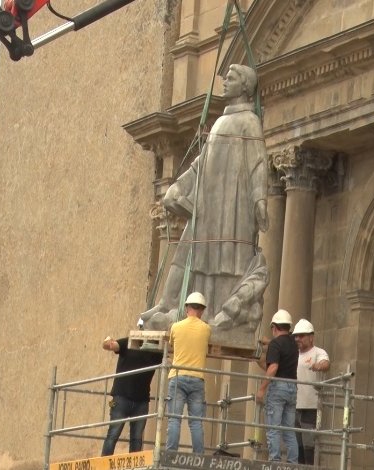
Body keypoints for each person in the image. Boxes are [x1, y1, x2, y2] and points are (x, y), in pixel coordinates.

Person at [141, 64, 269, 335]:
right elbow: (203, 162)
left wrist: (259, 199)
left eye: (231, 78)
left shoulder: (249, 121)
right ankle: (170, 304)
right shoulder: (221, 122)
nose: (224, 82)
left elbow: (258, 162)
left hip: (233, 209)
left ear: (245, 85)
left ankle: (213, 310)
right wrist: (181, 184)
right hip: (210, 206)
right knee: (190, 251)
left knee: (226, 261)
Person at [100, 335, 163, 455]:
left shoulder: (156, 351)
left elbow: (169, 359)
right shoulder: (129, 342)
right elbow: (109, 346)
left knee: (137, 439)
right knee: (113, 434)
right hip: (121, 398)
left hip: (141, 401)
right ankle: (104, 463)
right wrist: (108, 343)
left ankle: (135, 465)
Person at [166, 292, 211, 454]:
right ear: (202, 310)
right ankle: (199, 455)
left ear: (186, 308)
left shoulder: (176, 327)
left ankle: (171, 454)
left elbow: (172, 345)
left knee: (174, 419)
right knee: (196, 422)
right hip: (197, 378)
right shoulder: (206, 329)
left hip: (178, 376)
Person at [256, 309, 299, 463]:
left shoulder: (275, 344)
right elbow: (283, 346)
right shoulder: (294, 344)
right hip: (292, 387)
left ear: (274, 327)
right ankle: (293, 463)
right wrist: (270, 343)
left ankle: (275, 462)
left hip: (278, 387)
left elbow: (273, 367)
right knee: (289, 431)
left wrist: (262, 389)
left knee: (273, 429)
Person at [292, 318, 330, 465]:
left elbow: (325, 363)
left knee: (309, 446)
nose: (298, 339)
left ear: (311, 337)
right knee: (297, 447)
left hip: (310, 407)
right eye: (296, 336)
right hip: (294, 406)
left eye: (301, 336)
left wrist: (319, 365)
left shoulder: (318, 352)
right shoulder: (293, 354)